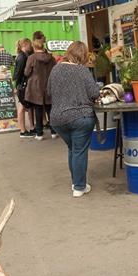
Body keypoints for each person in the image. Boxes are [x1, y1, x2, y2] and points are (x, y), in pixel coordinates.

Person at [47, 41, 100, 198]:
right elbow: (94, 93)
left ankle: (75, 182)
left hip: (58, 119)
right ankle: (79, 187)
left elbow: (49, 91)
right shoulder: (82, 71)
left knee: (73, 149)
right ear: (83, 56)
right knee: (79, 151)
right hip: (80, 117)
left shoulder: (55, 69)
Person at [24, 31, 57, 140]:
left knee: (38, 110)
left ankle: (39, 134)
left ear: (34, 46)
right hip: (49, 85)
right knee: (50, 109)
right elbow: (55, 71)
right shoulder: (51, 58)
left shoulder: (31, 58)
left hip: (36, 87)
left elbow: (26, 73)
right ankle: (54, 132)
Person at [13, 38, 35, 138]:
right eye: (30, 44)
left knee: (25, 106)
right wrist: (17, 86)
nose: (31, 46)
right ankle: (22, 130)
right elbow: (17, 74)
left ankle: (29, 128)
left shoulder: (22, 56)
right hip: (22, 85)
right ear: (25, 45)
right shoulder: (22, 57)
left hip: (22, 85)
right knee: (22, 107)